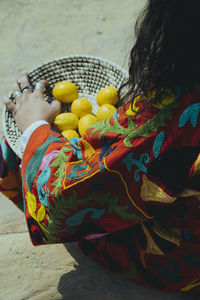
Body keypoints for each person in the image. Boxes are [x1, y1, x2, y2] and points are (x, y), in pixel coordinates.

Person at [1, 0, 200, 296]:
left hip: (183, 261)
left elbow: (64, 198)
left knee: (11, 148)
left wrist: (34, 127)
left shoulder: (177, 117)